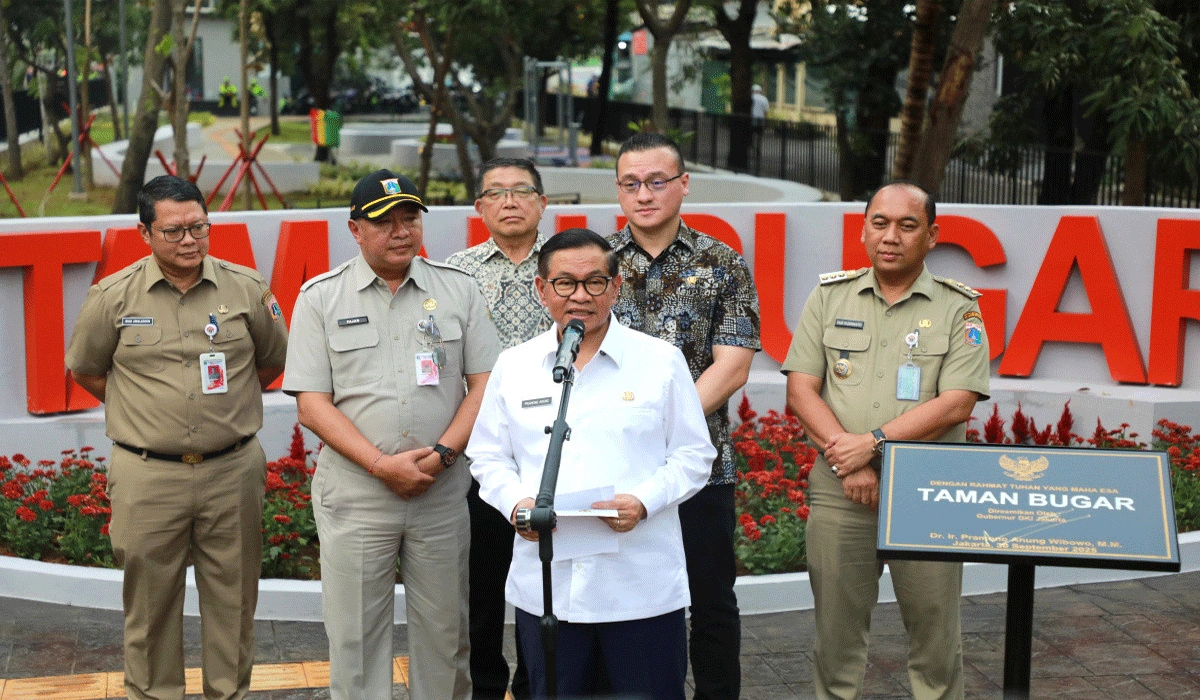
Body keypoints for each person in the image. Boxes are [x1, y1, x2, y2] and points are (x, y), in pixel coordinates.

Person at [467, 228, 716, 700]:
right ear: (542, 290)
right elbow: (487, 455)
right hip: (548, 588)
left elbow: (694, 454)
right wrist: (517, 504)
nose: (579, 296)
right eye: (564, 283)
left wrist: (643, 502)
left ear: (616, 287)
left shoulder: (659, 361)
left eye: (594, 282)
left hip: (639, 589)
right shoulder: (515, 365)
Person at [65, 175, 289, 700]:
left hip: (231, 469)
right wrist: (146, 414)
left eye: (198, 227)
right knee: (149, 609)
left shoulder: (247, 288)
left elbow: (272, 361)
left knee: (233, 606)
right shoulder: (112, 296)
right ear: (145, 233)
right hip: (148, 475)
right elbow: (86, 369)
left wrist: (222, 414)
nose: (189, 241)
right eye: (173, 231)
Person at [283, 170, 500, 700]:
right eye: (384, 221)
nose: (401, 231)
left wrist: (444, 454)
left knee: (447, 638)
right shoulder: (320, 298)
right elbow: (312, 405)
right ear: (355, 230)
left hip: (441, 491)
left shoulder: (459, 289)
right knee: (356, 640)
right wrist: (383, 467)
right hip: (358, 494)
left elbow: (486, 384)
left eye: (410, 217)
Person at [782, 181, 991, 700]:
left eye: (907, 225)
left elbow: (957, 402)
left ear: (932, 236)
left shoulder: (958, 309)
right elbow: (801, 388)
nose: (890, 236)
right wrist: (850, 462)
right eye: (880, 223)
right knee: (835, 638)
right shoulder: (830, 296)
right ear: (863, 230)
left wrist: (871, 444)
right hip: (840, 488)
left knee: (935, 638)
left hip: (928, 490)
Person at [608, 132, 760, 700]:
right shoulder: (597, 264)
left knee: (712, 602)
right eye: (631, 184)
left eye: (657, 182)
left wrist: (661, 424)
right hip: (615, 469)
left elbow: (734, 365)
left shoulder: (722, 263)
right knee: (617, 599)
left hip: (701, 468)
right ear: (619, 191)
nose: (644, 194)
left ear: (683, 185)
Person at [446, 157, 554, 700]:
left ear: (542, 202)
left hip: (551, 453)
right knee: (482, 588)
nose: (509, 201)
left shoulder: (569, 265)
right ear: (479, 207)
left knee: (547, 580)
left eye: (522, 191)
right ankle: (486, 687)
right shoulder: (452, 272)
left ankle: (538, 683)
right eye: (496, 193)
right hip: (478, 455)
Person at [751, 85, 770, 169]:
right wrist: (765, 121)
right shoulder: (764, 99)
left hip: (751, 119)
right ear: (760, 91)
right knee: (759, 137)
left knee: (751, 136)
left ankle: (751, 150)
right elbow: (766, 111)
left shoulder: (750, 98)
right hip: (760, 120)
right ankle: (757, 152)